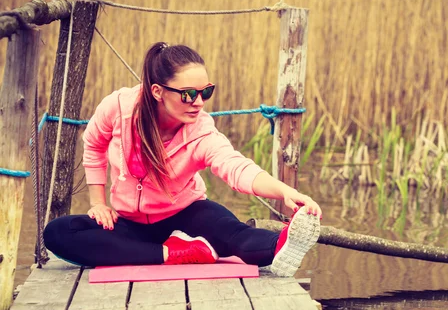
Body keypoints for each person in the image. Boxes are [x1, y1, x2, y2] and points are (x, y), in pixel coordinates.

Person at [43, 42, 322, 277]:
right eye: (189, 94)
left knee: (237, 237)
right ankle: (173, 253)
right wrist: (98, 203)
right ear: (158, 91)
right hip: (128, 223)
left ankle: (282, 245)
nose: (199, 102)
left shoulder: (201, 131)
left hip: (186, 215)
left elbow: (236, 167)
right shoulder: (119, 108)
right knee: (59, 233)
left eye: (206, 92)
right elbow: (93, 144)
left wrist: (286, 191)